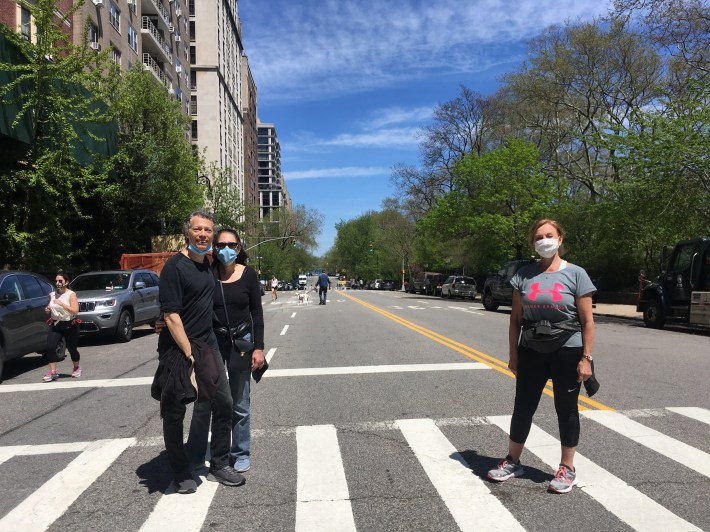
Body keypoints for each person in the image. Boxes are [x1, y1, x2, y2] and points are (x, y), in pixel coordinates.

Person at [487, 218, 595, 494]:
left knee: (567, 409)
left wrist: (587, 358)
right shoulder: (523, 274)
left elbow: (588, 321)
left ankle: (567, 467)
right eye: (538, 237)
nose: (543, 240)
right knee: (523, 406)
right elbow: (515, 319)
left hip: (567, 350)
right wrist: (513, 355)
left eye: (549, 235)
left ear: (560, 239)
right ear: (532, 243)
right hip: (531, 350)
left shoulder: (577, 274)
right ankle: (513, 460)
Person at [157, 210, 245, 494]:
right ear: (188, 232)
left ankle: (219, 463)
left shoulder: (208, 264)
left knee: (224, 403)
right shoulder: (174, 267)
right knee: (174, 411)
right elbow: (170, 315)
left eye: (208, 230)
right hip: (179, 349)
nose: (203, 235)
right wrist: (188, 354)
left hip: (208, 347)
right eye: (198, 230)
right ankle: (180, 470)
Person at [190, 228, 266, 473]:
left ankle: (240, 451)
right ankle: (205, 450)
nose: (225, 249)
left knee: (240, 403)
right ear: (214, 247)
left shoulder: (249, 275)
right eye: (220, 244)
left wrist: (259, 348)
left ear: (239, 247)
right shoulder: (207, 273)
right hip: (212, 341)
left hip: (241, 342)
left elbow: (256, 313)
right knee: (207, 399)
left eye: (231, 245)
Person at [42, 272, 81, 381]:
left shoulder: (71, 294)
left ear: (66, 282)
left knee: (72, 348)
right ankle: (53, 372)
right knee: (50, 347)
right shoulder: (52, 294)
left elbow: (75, 310)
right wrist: (48, 309)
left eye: (60, 281)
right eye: (56, 281)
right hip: (56, 324)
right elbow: (50, 306)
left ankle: (76, 368)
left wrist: (62, 304)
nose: (58, 283)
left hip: (70, 325)